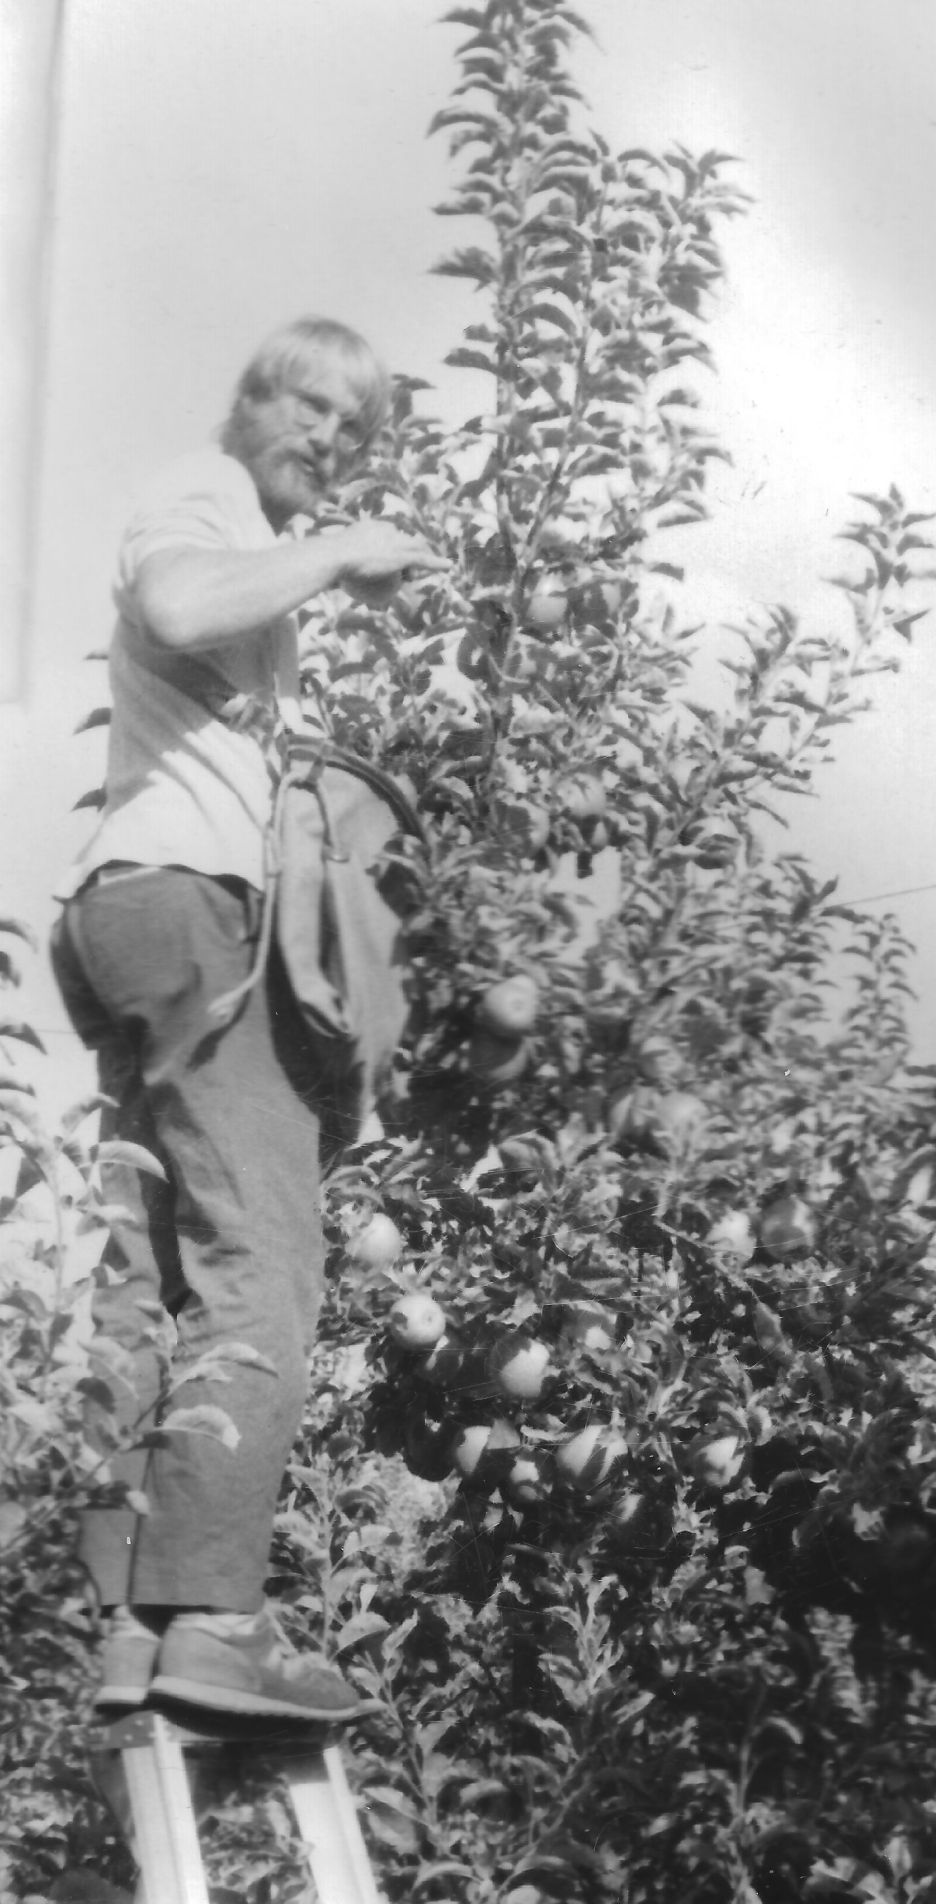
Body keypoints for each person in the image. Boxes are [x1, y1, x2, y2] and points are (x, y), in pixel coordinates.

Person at [50, 316, 446, 1722]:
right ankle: (214, 1620)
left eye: (356, 424)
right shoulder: (201, 499)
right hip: (190, 913)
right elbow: (171, 606)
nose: (329, 438)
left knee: (150, 1271)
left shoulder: (252, 561)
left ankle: (128, 1614)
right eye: (311, 404)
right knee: (263, 1256)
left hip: (136, 913)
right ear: (249, 398)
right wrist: (342, 551)